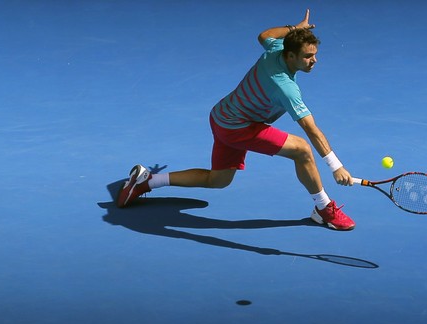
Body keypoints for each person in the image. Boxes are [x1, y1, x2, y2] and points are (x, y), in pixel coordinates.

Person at [117, 9, 356, 231]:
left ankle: (147, 181)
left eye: (314, 55)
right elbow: (310, 129)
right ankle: (324, 209)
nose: (314, 61)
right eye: (307, 56)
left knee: (218, 180)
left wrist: (294, 29)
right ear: (290, 55)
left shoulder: (275, 48)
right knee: (302, 150)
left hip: (222, 116)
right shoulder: (285, 88)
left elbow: (264, 34)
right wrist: (336, 166)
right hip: (240, 128)